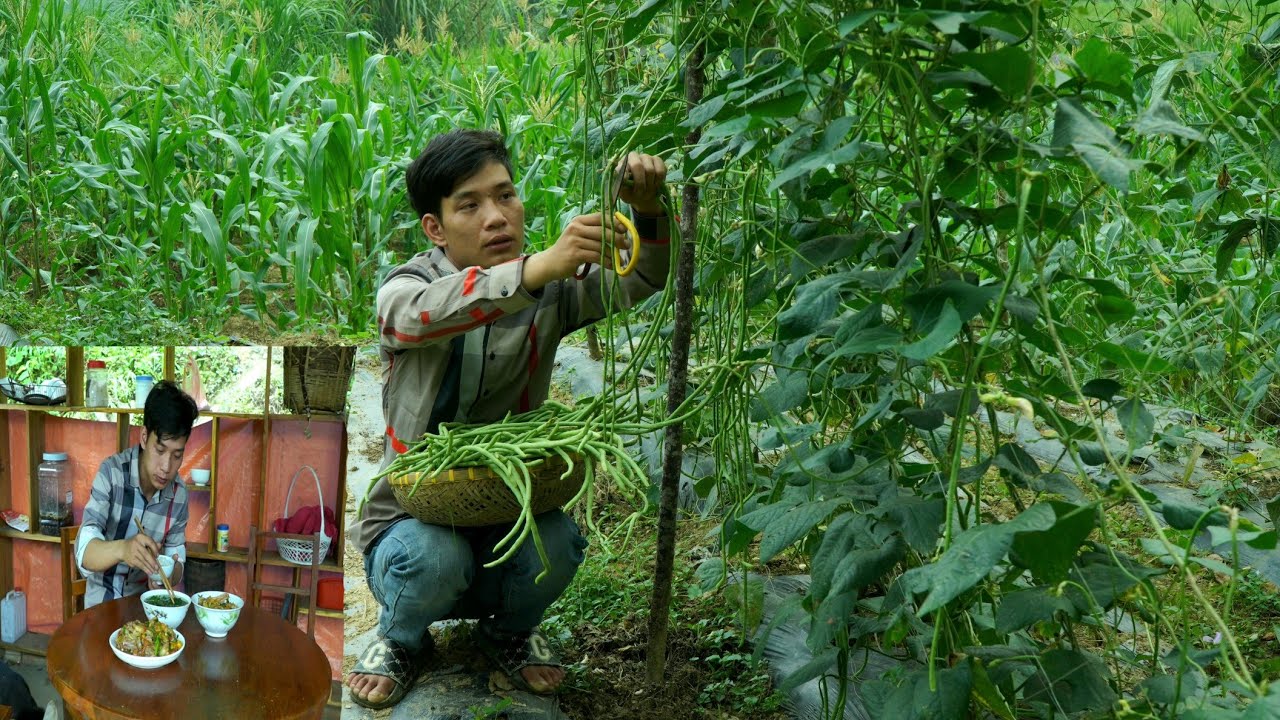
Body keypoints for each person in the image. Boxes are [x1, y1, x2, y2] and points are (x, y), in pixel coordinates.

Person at [347, 129, 674, 709]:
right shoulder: (410, 286)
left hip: (508, 508)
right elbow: (414, 317)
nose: (496, 217)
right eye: (469, 205)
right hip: (413, 513)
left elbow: (642, 278)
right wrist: (536, 270)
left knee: (559, 542)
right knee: (431, 556)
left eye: (506, 196)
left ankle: (507, 633)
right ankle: (400, 639)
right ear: (436, 228)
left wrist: (646, 210)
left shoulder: (552, 288)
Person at [75, 380, 198, 607]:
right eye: (160, 450)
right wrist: (123, 549)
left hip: (146, 608)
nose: (166, 466)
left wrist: (167, 575)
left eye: (177, 455)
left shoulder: (178, 494)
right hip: (102, 605)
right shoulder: (112, 474)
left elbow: (178, 558)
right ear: (144, 437)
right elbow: (84, 553)